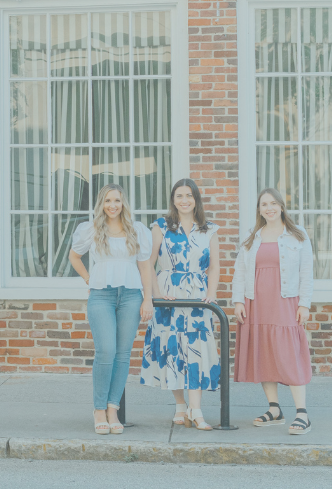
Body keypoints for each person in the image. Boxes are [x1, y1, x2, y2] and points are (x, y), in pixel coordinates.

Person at [68, 184, 155, 436]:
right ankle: (98, 410)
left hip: (131, 295)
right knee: (106, 351)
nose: (113, 205)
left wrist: (147, 298)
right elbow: (74, 257)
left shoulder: (137, 230)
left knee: (123, 354)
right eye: (108, 201)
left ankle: (112, 409)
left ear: (123, 203)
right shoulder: (92, 229)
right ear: (101, 204)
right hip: (101, 295)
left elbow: (145, 267)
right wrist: (88, 278)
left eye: (117, 200)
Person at [140, 178, 221, 430]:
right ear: (173, 200)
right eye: (179, 196)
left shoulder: (209, 229)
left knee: (196, 349)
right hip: (168, 292)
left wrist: (211, 293)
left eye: (189, 195)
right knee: (171, 348)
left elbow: (216, 266)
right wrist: (157, 295)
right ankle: (179, 405)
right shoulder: (161, 227)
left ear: (196, 199)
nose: (184, 200)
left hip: (197, 295)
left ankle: (196, 410)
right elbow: (148, 262)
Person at [233, 188, 315, 435]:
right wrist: (238, 301)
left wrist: (304, 304)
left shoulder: (297, 235)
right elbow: (240, 271)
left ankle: (302, 413)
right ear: (259, 210)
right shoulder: (252, 237)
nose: (268, 208)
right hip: (256, 302)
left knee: (289, 352)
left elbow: (306, 272)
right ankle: (274, 409)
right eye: (263, 204)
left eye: (272, 203)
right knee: (264, 351)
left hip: (285, 301)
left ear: (281, 206)